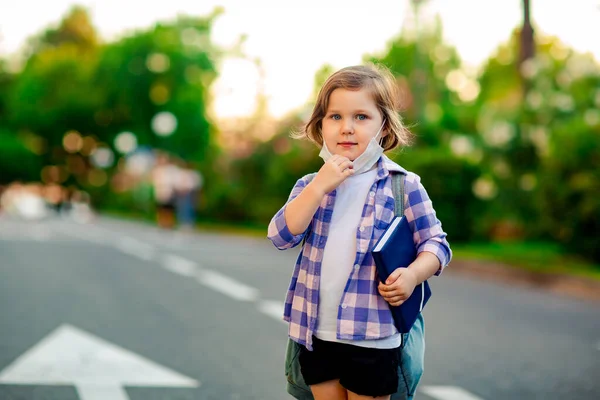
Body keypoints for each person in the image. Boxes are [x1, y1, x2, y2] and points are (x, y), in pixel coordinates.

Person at [267, 64, 452, 400]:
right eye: (335, 117)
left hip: (373, 334)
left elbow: (436, 245)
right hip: (316, 331)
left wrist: (411, 276)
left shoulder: (403, 186)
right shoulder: (311, 185)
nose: (346, 128)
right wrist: (318, 187)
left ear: (384, 126)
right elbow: (281, 235)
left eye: (361, 117)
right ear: (320, 124)